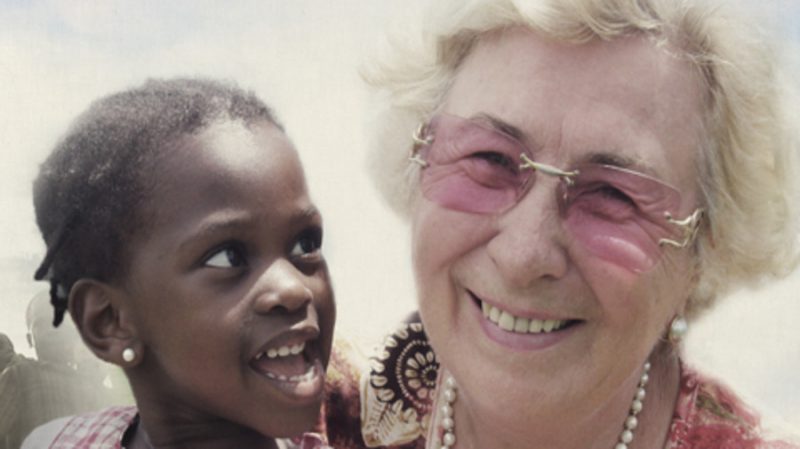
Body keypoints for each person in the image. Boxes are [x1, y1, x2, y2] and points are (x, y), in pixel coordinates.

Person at [323, 0, 800, 448]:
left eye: (612, 195)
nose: (523, 256)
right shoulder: (293, 419)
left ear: (705, 251)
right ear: (418, 156)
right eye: (489, 159)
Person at [22, 78, 336, 449]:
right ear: (110, 321)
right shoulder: (57, 443)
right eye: (228, 257)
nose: (293, 287)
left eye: (305, 243)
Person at [1, 292, 122, 449]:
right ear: (30, 340)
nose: (54, 328)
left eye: (61, 322)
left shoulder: (95, 387)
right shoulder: (19, 376)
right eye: (43, 324)